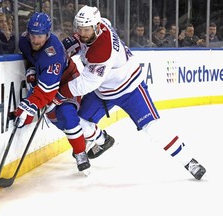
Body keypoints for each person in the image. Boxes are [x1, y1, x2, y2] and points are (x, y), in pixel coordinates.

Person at [56, 5, 206, 180]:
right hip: (103, 90)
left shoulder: (102, 50)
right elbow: (82, 39)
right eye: (79, 29)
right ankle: (102, 140)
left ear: (96, 27)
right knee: (76, 121)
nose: (82, 33)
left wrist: (58, 94)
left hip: (130, 89)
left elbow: (86, 83)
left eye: (86, 29)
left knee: (153, 128)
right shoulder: (100, 24)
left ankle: (189, 161)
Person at [14, 12, 113, 173]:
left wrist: (29, 106)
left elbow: (47, 90)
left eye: (39, 36)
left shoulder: (53, 52)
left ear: (48, 34)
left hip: (67, 83)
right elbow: (31, 59)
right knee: (58, 121)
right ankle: (101, 138)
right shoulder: (25, 41)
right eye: (32, 35)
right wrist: (31, 70)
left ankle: (81, 153)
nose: (35, 40)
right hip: (50, 81)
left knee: (68, 116)